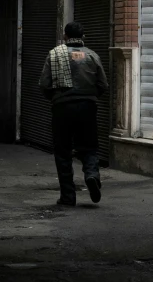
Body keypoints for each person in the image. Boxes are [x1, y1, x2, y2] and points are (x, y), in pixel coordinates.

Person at [39, 21, 108, 207]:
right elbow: (103, 85)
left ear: (65, 36)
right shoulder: (92, 55)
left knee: (63, 151)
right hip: (87, 107)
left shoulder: (54, 54)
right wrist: (90, 98)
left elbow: (44, 84)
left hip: (62, 108)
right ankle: (92, 175)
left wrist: (56, 98)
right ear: (83, 36)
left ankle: (68, 197)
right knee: (89, 146)